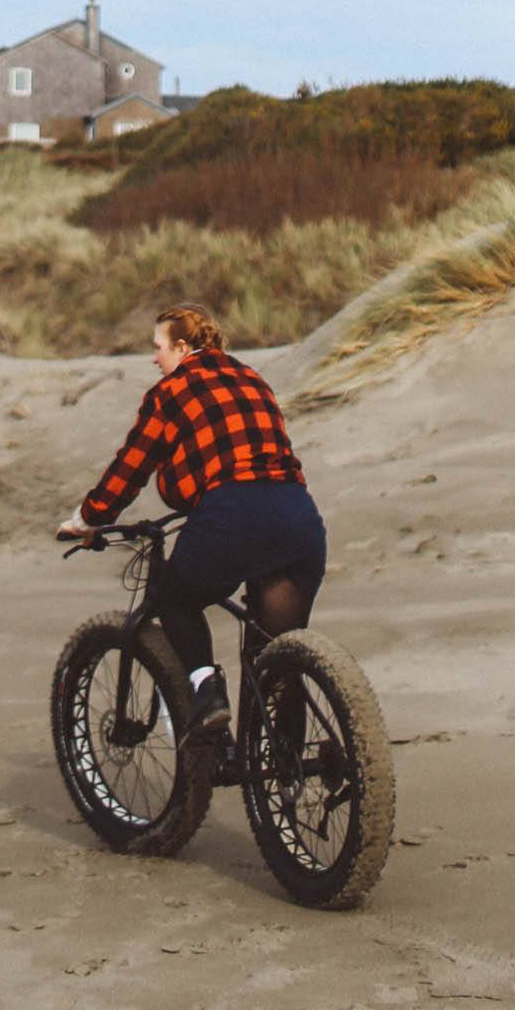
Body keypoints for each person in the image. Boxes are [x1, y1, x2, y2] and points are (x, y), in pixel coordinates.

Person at [56, 302, 327, 743]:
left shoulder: (170, 392)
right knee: (277, 651)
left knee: (174, 598)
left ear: (183, 347)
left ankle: (207, 689)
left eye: (158, 347)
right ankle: (290, 758)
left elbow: (131, 468)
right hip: (298, 515)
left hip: (233, 513)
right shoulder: (252, 378)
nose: (154, 358)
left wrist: (88, 520)